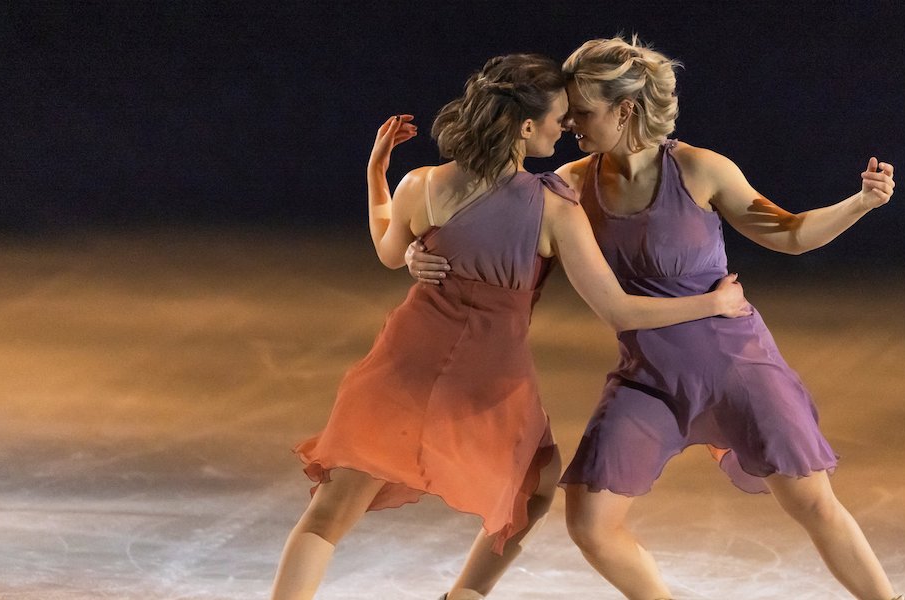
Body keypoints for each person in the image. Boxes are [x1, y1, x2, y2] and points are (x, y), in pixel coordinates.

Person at [407, 37, 904, 600]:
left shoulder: (700, 169)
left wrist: (859, 202)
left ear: (625, 110)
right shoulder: (571, 183)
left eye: (584, 112)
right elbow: (488, 217)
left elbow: (788, 234)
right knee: (590, 522)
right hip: (649, 378)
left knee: (812, 501)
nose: (571, 122)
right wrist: (413, 249)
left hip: (737, 367)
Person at [270, 53, 750, 600]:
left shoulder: (421, 184)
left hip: (405, 361)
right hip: (489, 377)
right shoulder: (554, 208)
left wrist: (378, 174)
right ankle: (465, 597)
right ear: (526, 126)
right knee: (536, 487)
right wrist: (711, 305)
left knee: (331, 513)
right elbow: (619, 310)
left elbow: (387, 248)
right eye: (558, 116)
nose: (566, 127)